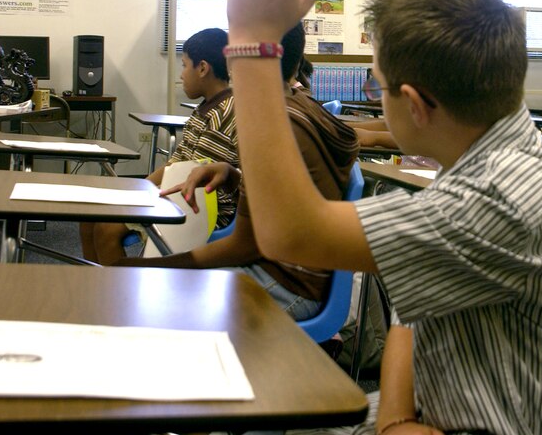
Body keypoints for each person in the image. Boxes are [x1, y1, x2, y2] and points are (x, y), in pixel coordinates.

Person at [225, 0, 542, 435]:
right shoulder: (481, 163)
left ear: (415, 104)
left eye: (378, 85)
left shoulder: (499, 196)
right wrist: (395, 422)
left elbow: (289, 230)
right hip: (438, 412)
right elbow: (410, 314)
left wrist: (252, 42)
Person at [115, 23, 359, 322]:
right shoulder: (300, 104)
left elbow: (244, 247)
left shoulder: (266, 124)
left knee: (144, 294)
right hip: (302, 273)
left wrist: (153, 267)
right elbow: (288, 192)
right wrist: (233, 175)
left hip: (283, 283)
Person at [80, 27, 239, 264]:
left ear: (203, 68)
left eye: (185, 65)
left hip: (199, 210)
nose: (182, 74)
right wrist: (139, 188)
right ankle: (94, 288)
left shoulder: (224, 114)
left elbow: (195, 183)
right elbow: (176, 164)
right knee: (88, 218)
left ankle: (114, 297)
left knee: (106, 228)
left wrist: (143, 197)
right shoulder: (202, 110)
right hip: (177, 196)